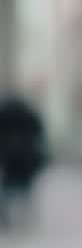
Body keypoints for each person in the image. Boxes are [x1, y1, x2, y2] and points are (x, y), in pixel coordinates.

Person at [0, 93, 47, 230]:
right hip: (24, 158)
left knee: (10, 187)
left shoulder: (4, 114)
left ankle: (9, 215)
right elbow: (38, 130)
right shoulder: (28, 114)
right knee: (24, 186)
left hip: (9, 158)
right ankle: (22, 214)